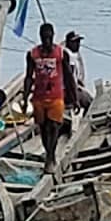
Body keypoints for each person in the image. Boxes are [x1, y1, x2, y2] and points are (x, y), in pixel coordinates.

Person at [22, 23, 77, 174]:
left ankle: (50, 158)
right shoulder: (32, 54)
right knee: (44, 128)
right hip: (39, 96)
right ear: (40, 37)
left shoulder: (61, 53)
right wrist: (25, 98)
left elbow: (68, 76)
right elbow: (28, 77)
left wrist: (74, 97)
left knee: (54, 126)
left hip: (56, 96)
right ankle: (49, 153)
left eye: (49, 38)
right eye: (44, 38)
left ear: (53, 36)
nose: (47, 41)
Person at [64, 30, 90, 110]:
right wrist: (74, 97)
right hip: (70, 91)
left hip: (72, 88)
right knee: (90, 102)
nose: (78, 45)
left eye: (78, 42)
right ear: (68, 43)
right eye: (75, 42)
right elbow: (69, 77)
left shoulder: (70, 55)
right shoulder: (69, 56)